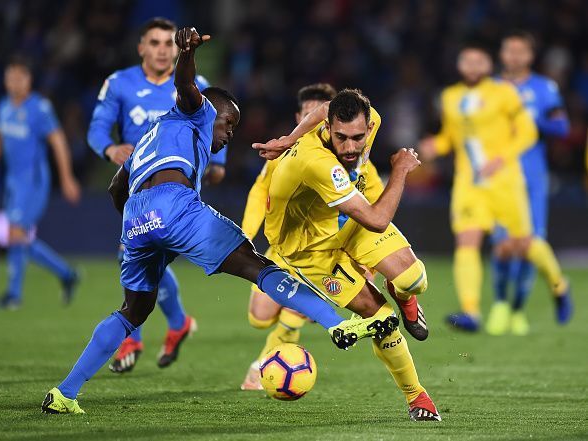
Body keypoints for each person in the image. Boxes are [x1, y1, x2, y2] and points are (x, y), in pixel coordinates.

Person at [41, 27, 395, 415]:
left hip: (135, 218)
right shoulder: (196, 111)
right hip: (174, 203)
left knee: (133, 311)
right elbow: (187, 87)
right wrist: (187, 54)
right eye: (229, 125)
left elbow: (115, 190)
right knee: (258, 265)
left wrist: (139, 231)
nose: (228, 136)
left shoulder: (146, 140)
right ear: (216, 113)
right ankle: (335, 324)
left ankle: (64, 394)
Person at [252, 89, 439, 421]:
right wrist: (399, 169)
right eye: (341, 138)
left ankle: (403, 294)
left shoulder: (367, 117)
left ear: (369, 125)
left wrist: (288, 136)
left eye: (358, 137)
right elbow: (378, 220)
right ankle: (417, 396)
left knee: (414, 280)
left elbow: (326, 105)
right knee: (381, 319)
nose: (351, 147)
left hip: (346, 219)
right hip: (309, 248)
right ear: (328, 129)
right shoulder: (317, 162)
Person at [87, 17, 227, 373]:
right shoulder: (119, 83)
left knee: (139, 252)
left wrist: (217, 162)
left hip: (178, 185)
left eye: (168, 43)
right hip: (136, 184)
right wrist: (110, 149)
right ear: (141, 48)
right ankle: (176, 322)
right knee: (147, 253)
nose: (163, 50)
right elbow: (97, 128)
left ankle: (132, 334)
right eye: (155, 43)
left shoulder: (195, 82)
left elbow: (217, 126)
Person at [239, 83, 395, 391]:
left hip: (325, 251)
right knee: (259, 316)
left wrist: (369, 267)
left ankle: (264, 365)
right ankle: (299, 311)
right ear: (301, 116)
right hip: (283, 244)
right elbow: (260, 191)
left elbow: (375, 216)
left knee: (298, 307)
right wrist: (246, 235)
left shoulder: (358, 166)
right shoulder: (292, 156)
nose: (314, 115)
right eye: (307, 111)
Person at [418, 43, 572, 332]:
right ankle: (471, 312)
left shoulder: (504, 93)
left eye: (479, 61)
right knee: (467, 241)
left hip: (505, 181)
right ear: (459, 65)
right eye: (467, 60)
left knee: (523, 244)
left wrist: (500, 159)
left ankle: (558, 285)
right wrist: (434, 146)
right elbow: (450, 137)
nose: (473, 65)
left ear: (488, 66)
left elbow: (527, 132)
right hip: (469, 183)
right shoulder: (450, 97)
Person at [486, 31, 571, 336]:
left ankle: (519, 310)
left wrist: (530, 119)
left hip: (532, 177)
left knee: (529, 244)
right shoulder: (490, 88)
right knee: (502, 245)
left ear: (530, 56)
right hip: (498, 175)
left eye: (521, 51)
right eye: (509, 50)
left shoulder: (544, 88)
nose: (514, 56)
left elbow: (563, 127)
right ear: (502, 54)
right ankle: (499, 304)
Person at [0, 59, 80, 310]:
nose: (14, 83)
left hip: (33, 180)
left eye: (19, 78)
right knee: (17, 237)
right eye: (10, 78)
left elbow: (58, 142)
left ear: (28, 80)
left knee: (17, 233)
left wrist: (66, 178)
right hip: (13, 180)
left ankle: (13, 295)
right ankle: (67, 274)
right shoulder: (3, 107)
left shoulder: (39, 108)